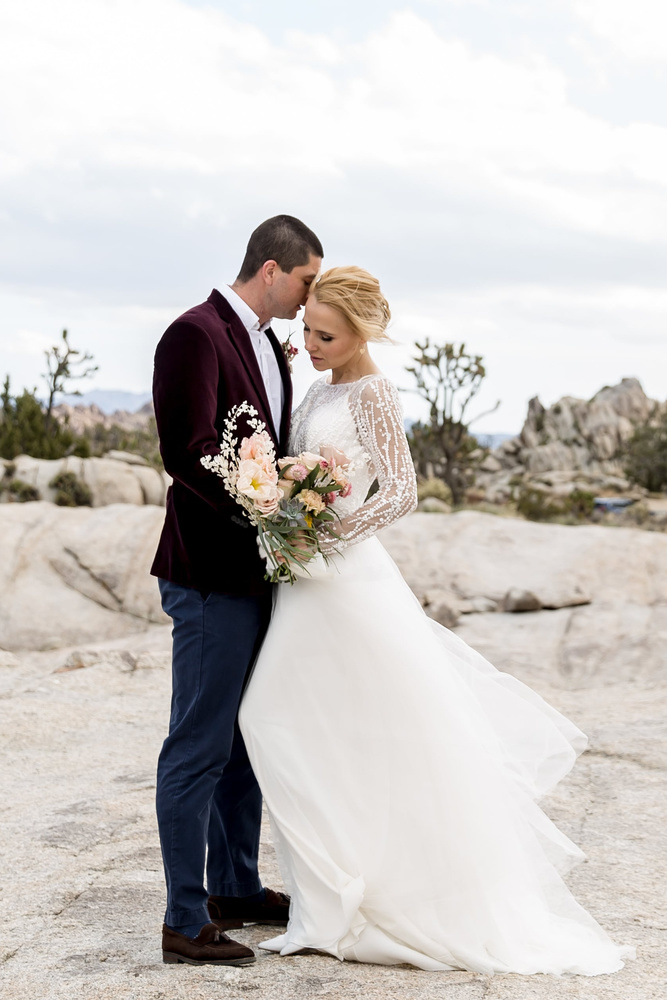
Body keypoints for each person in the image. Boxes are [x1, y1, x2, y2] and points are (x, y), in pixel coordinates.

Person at [238, 266, 632, 975]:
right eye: (307, 330)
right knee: (284, 720)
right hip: (305, 583)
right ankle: (323, 901)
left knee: (320, 724)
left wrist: (327, 531)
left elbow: (403, 493)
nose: (312, 343)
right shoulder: (318, 387)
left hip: (348, 581)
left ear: (362, 333)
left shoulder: (375, 392)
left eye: (325, 335)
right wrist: (285, 514)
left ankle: (368, 900)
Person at [151, 215, 323, 966]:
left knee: (244, 738)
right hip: (208, 574)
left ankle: (236, 888)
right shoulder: (193, 333)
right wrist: (261, 505)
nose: (311, 300)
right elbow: (185, 451)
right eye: (307, 282)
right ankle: (184, 921)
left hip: (256, 575)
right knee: (198, 742)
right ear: (271, 268)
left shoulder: (267, 343)